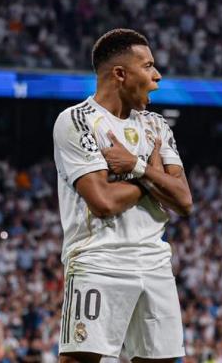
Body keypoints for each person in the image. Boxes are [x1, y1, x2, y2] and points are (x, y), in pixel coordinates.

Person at [53, 28, 193, 363]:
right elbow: (103, 202)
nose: (157, 76)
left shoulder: (156, 125)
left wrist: (135, 166)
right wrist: (152, 175)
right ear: (120, 73)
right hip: (98, 260)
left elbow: (184, 200)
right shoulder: (77, 121)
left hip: (155, 262)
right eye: (148, 66)